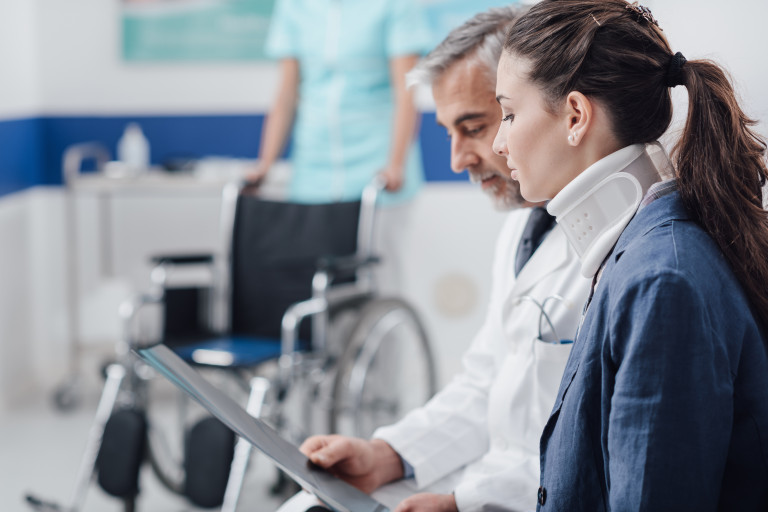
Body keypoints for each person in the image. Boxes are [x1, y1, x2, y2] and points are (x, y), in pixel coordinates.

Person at [278, 7, 591, 512]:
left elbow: (599, 454)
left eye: (476, 126)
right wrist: (385, 454)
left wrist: (463, 504)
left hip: (527, 497)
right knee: (307, 505)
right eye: (449, 131)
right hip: (493, 480)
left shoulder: (625, 251)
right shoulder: (521, 227)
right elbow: (484, 383)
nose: (457, 159)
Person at [492, 1, 768, 510]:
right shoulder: (639, 255)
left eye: (509, 114)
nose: (499, 142)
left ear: (575, 115)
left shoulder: (663, 280)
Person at [254, 0, 429, 204]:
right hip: (313, 165)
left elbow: (405, 93)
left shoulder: (395, 5)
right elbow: (286, 94)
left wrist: (396, 164)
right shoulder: (293, 5)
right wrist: (265, 165)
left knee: (373, 231)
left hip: (378, 163)